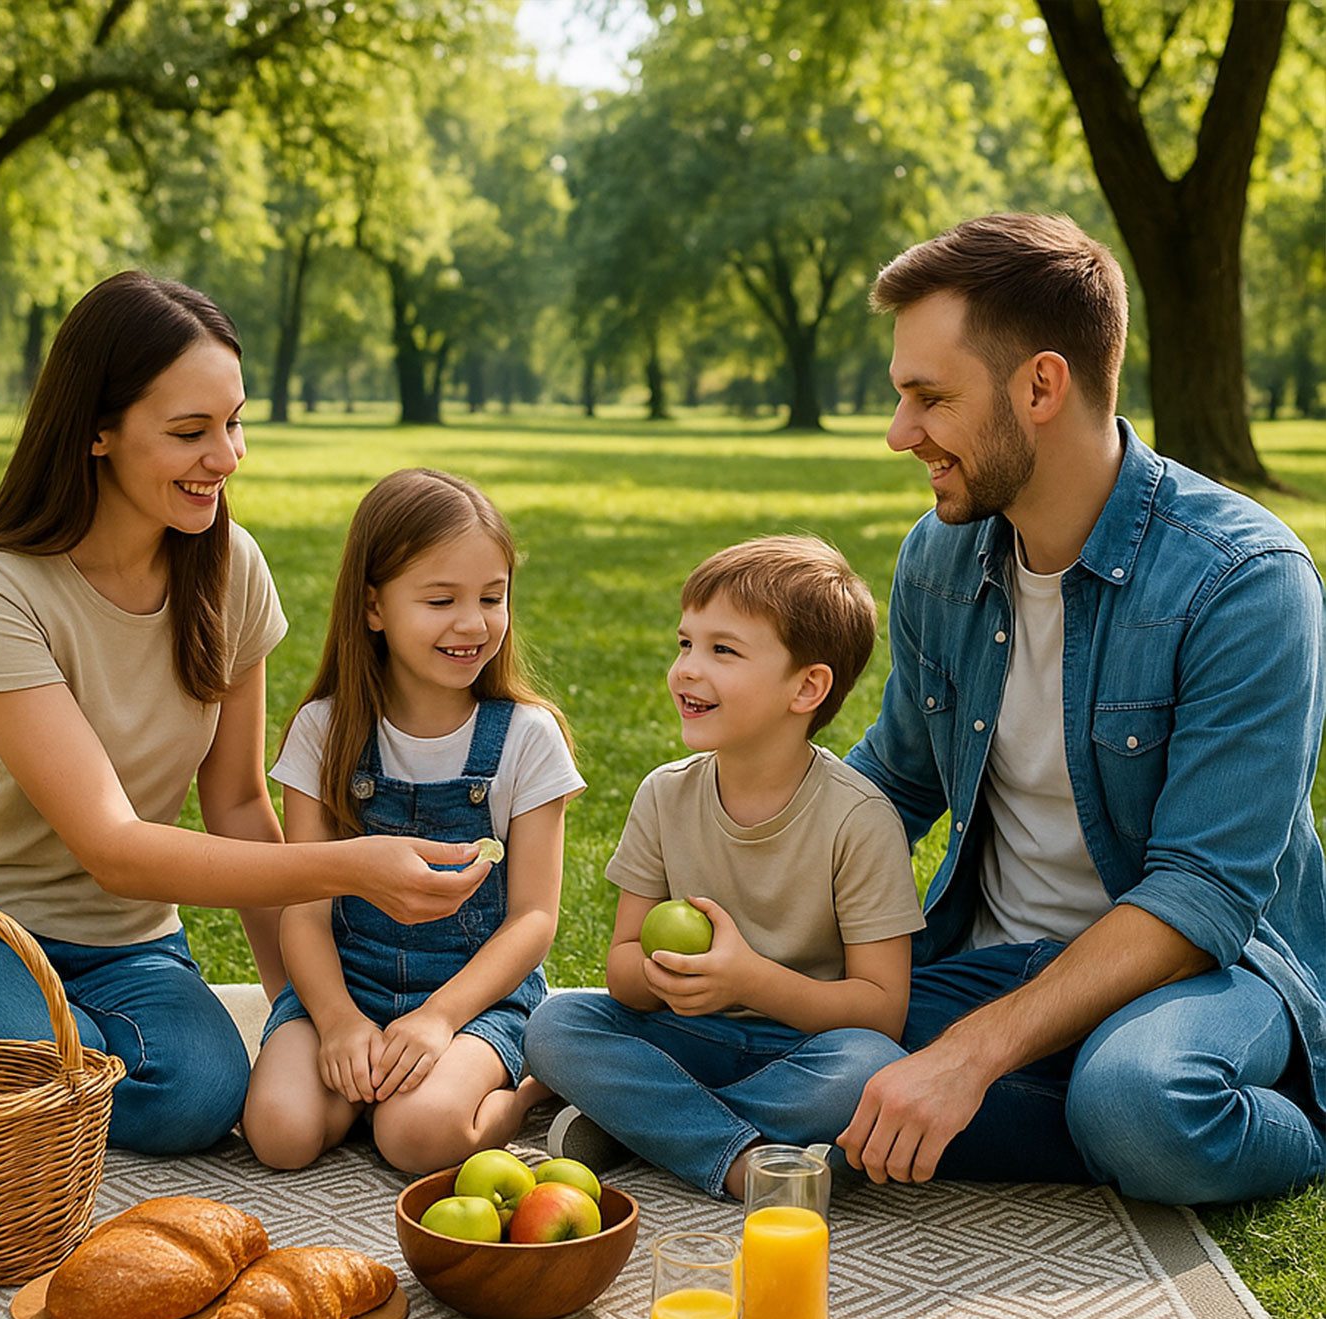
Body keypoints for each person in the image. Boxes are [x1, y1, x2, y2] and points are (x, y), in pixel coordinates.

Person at [0, 273, 489, 1156]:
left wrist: (297, 1017)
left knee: (200, 1098)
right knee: (39, 1085)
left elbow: (235, 805)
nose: (225, 458)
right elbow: (111, 846)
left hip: (127, 949)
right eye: (190, 432)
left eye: (234, 422)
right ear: (98, 432)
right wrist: (347, 867)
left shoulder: (230, 570)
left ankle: (35, 1067)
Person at [835, 212, 1326, 1205]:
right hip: (994, 961)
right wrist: (735, 879)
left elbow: (1201, 898)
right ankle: (1035, 1093)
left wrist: (970, 1054)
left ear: (1042, 386)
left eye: (930, 398)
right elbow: (891, 782)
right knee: (783, 1037)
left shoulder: (1245, 580)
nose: (900, 434)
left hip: (1203, 979)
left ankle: (1290, 1119)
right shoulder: (940, 557)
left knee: (1142, 1101)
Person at [525, 536, 926, 1199]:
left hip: (800, 1049)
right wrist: (669, 980)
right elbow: (622, 970)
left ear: (807, 687)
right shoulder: (664, 794)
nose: (686, 669)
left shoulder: (859, 819)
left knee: (870, 1069)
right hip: (686, 1034)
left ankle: (647, 1124)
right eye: (685, 643)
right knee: (556, 1027)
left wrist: (749, 980)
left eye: (723, 650)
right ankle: (747, 1162)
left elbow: (881, 1011)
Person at [241, 469, 585, 1175]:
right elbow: (304, 915)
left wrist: (437, 1018)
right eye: (440, 600)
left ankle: (527, 1091)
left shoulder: (528, 737)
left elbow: (532, 921)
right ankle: (368, 1075)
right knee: (280, 1132)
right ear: (373, 607)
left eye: (492, 598)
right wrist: (335, 1022)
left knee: (414, 1137)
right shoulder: (323, 731)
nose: (473, 622)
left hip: (473, 996)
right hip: (346, 986)